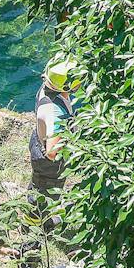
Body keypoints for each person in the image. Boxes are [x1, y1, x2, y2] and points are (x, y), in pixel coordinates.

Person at [30, 57, 78, 195]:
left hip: (38, 140)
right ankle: (37, 215)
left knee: (38, 183)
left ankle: (32, 207)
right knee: (47, 192)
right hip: (48, 161)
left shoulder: (47, 88)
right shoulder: (55, 112)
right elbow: (52, 153)